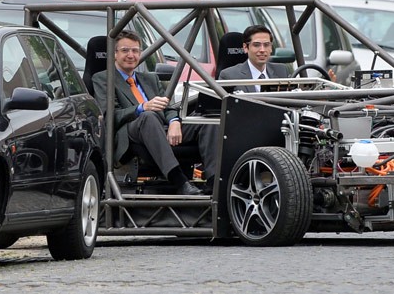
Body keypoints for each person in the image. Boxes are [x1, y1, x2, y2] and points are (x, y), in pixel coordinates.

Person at [92, 30, 218, 194]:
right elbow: (109, 117)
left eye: (135, 51)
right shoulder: (103, 78)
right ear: (114, 54)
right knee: (148, 116)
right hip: (130, 133)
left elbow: (169, 108)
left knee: (207, 121)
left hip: (159, 127)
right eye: (125, 50)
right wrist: (141, 108)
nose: (131, 55)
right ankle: (179, 181)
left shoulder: (150, 79)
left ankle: (215, 183)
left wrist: (174, 122)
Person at [218, 24, 289, 91]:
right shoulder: (229, 76)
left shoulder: (282, 71)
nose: (262, 50)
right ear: (245, 47)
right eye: (256, 45)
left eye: (266, 45)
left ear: (271, 48)